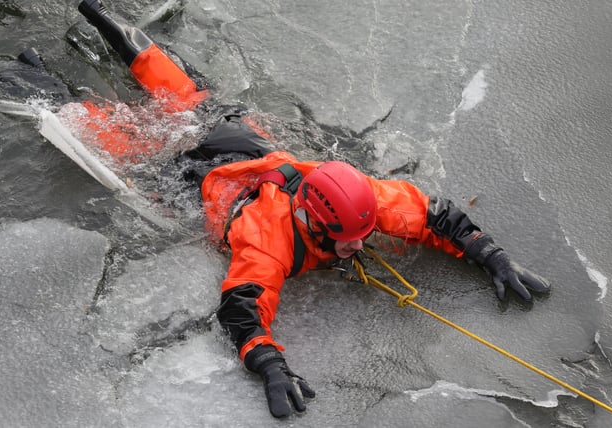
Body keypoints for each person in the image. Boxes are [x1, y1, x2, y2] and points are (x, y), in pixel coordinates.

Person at [73, 0, 552, 418]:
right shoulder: (268, 239)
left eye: (362, 233)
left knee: (190, 97)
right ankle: (47, 85)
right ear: (311, 221)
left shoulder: (362, 199)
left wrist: (490, 254)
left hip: (242, 137)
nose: (360, 245)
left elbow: (434, 215)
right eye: (348, 240)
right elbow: (241, 310)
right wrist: (270, 366)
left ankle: (106, 20)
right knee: (131, 141)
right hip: (202, 174)